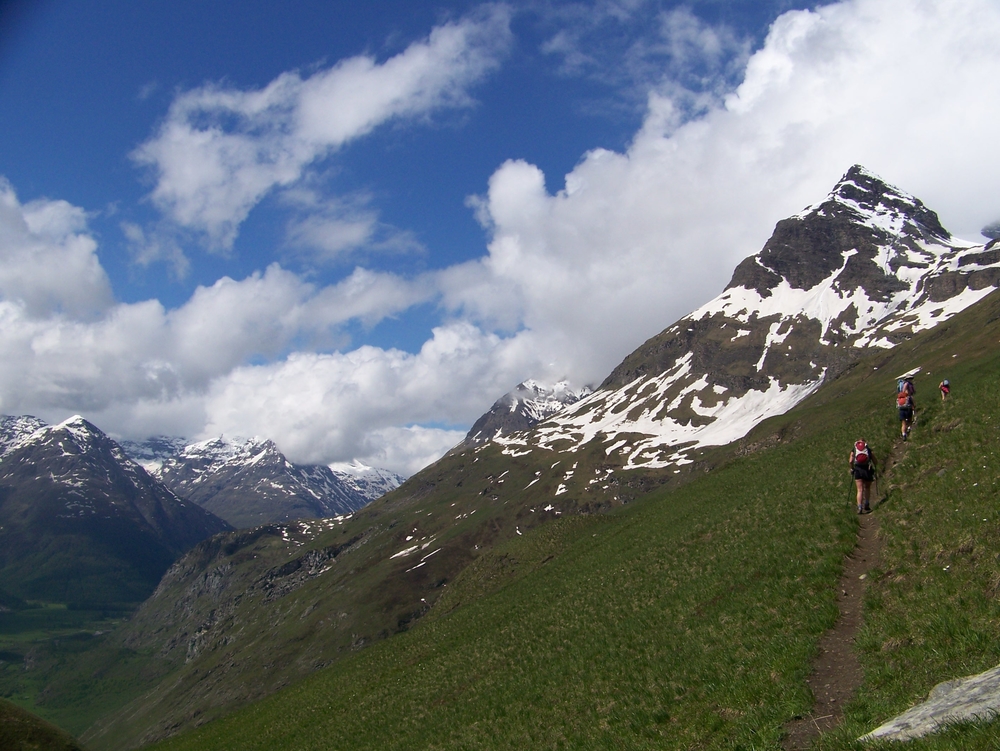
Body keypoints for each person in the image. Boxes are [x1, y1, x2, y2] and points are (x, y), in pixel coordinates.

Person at [850, 439, 876, 514]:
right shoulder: (867, 448)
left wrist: (852, 468)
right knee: (867, 488)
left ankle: (859, 507)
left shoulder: (854, 448)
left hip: (858, 470)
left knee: (859, 490)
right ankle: (867, 504)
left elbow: (850, 461)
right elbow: (875, 460)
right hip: (867, 469)